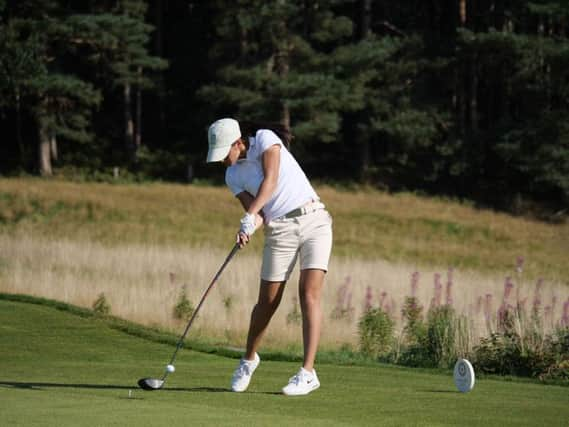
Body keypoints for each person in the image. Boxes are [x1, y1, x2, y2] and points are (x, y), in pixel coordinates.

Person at [206, 118, 333, 396]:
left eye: (224, 154)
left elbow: (271, 181)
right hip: (279, 231)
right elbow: (261, 213)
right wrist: (249, 225)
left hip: (315, 220)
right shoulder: (232, 177)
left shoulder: (266, 139)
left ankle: (308, 373)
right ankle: (249, 359)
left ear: (238, 143)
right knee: (267, 302)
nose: (222, 162)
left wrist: (249, 216)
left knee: (308, 294)